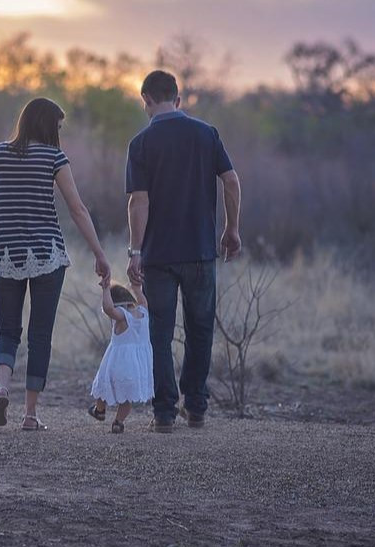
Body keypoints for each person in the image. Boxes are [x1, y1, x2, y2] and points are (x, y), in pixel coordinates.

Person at [0, 97, 111, 431]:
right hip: (47, 255)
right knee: (40, 335)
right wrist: (99, 253)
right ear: (48, 125)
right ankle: (30, 415)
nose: (59, 133)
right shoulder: (54, 158)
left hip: (3, 253)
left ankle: (2, 388)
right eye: (58, 127)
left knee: (7, 329)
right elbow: (77, 210)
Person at [125, 70, 243, 433]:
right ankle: (196, 408)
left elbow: (138, 202)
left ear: (146, 99)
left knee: (159, 333)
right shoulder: (206, 134)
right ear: (178, 99)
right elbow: (231, 181)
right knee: (200, 330)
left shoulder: (141, 143)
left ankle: (163, 413)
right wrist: (231, 229)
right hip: (201, 252)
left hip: (159, 256)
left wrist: (135, 250)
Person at [88, 281, 154, 434]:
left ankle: (100, 410)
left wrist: (105, 290)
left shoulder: (122, 316)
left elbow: (108, 308)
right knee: (127, 398)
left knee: (103, 387)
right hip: (137, 367)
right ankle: (118, 422)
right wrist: (136, 288)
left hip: (118, 363)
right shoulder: (143, 312)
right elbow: (143, 300)